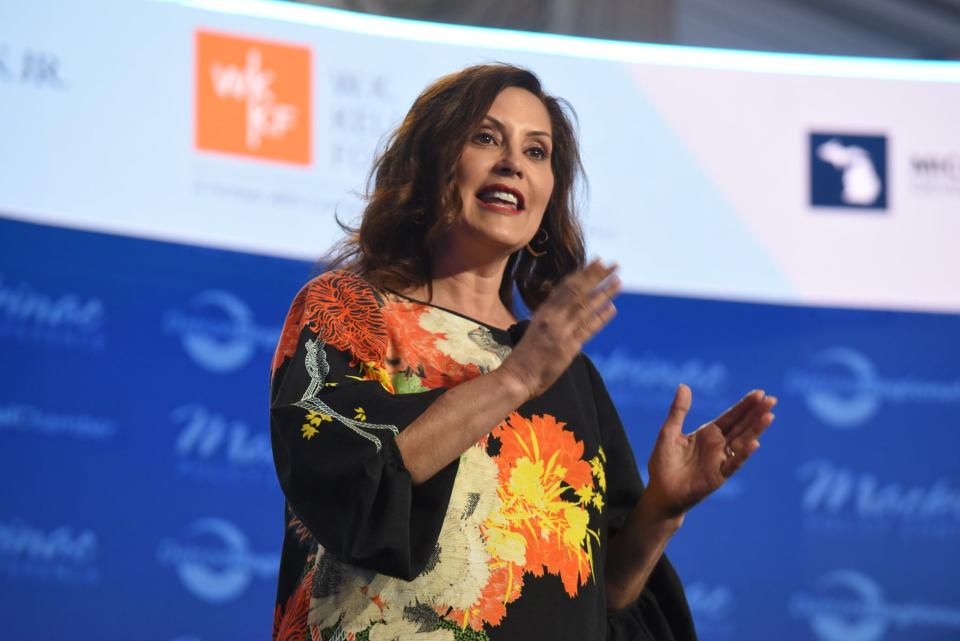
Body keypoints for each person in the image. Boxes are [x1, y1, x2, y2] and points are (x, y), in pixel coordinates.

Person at [269, 64, 776, 641]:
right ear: (430, 168)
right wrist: (515, 379)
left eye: (537, 152)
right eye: (485, 138)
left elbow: (599, 601)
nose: (512, 162)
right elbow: (342, 480)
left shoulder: (571, 375)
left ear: (545, 202)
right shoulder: (347, 309)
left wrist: (661, 509)